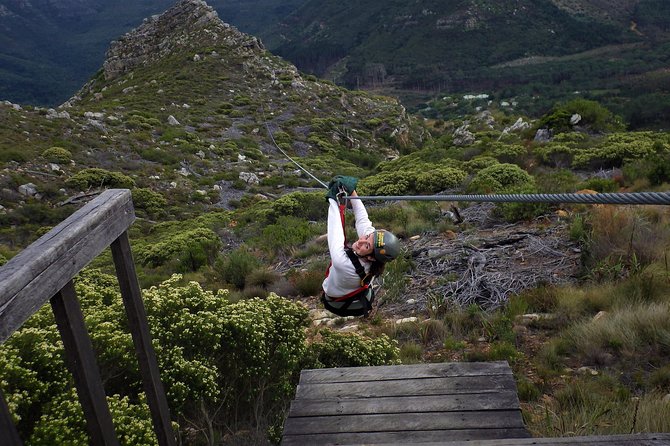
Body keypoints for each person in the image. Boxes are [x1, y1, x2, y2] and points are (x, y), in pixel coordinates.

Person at [321, 175, 400, 317]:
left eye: (367, 246)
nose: (361, 241)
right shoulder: (376, 255)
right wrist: (352, 193)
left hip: (334, 300)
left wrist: (333, 199)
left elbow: (335, 231)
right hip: (352, 291)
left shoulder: (343, 264)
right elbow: (363, 220)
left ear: (371, 258)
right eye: (367, 237)